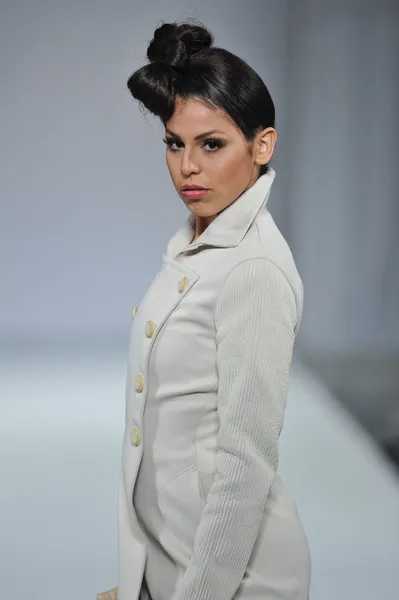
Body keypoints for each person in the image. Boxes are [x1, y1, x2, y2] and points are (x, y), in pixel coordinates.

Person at [101, 19, 312, 600]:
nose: (187, 166)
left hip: (230, 581)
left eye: (211, 144)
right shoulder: (198, 245)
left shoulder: (252, 268)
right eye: (175, 142)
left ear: (261, 145)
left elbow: (246, 462)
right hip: (173, 563)